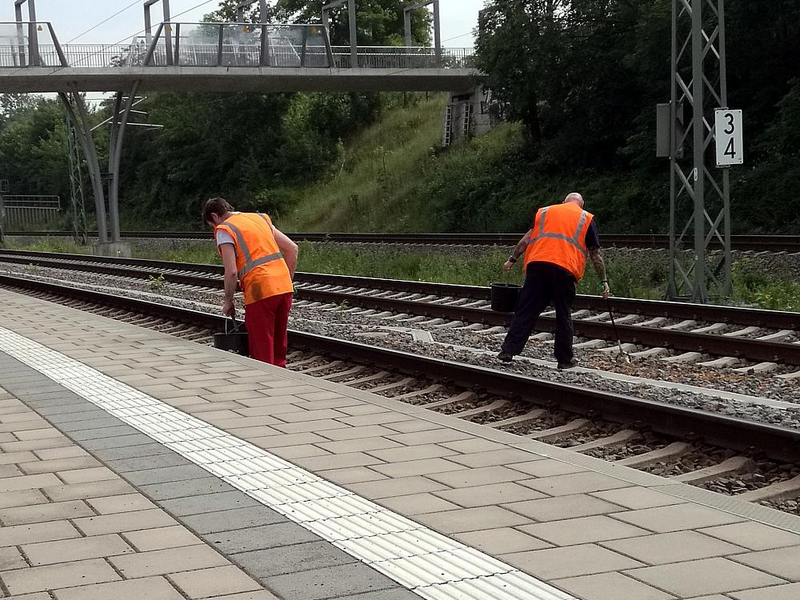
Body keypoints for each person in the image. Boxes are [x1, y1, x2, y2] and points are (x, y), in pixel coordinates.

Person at [497, 192, 610, 369]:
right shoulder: (585, 218)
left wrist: (512, 259)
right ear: (581, 205)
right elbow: (596, 254)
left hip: (537, 265)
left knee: (526, 309)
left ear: (563, 202)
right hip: (564, 269)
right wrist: (603, 280)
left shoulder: (545, 212)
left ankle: (508, 351)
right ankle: (564, 360)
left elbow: (526, 239)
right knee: (563, 314)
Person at [203, 197, 298, 367]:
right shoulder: (260, 218)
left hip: (260, 289)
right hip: (284, 287)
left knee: (262, 348)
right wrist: (285, 280)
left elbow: (231, 272)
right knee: (278, 345)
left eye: (212, 225)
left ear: (215, 216)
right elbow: (292, 249)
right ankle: (282, 380)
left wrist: (228, 301)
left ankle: (265, 386)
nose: (214, 229)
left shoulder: (225, 229)